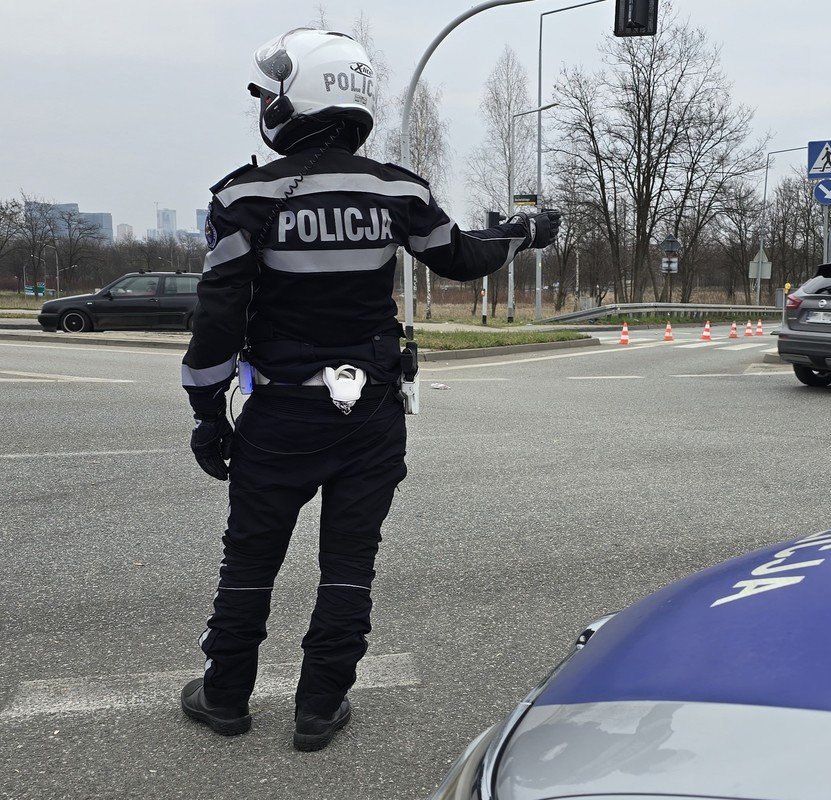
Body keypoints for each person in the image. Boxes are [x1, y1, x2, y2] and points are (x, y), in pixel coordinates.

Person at [179, 27, 561, 751]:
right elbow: (463, 257)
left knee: (251, 558)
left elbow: (218, 316)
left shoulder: (246, 194)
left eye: (269, 91)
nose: (263, 101)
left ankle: (225, 697)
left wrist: (206, 413)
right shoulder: (395, 189)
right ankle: (319, 709)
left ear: (301, 96)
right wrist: (525, 231)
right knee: (349, 563)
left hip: (282, 412)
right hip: (372, 409)